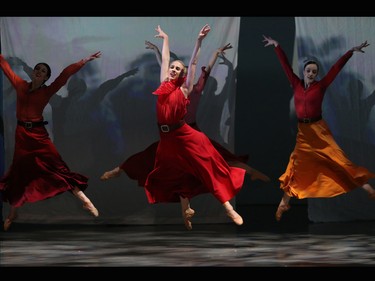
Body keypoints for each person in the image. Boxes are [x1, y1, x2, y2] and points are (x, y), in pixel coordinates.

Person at [100, 41, 270, 184]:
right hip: (175, 134)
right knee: (151, 155)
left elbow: (207, 69)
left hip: (191, 131)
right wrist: (158, 51)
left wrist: (217, 54)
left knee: (217, 156)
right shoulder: (174, 88)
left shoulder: (195, 89)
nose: (177, 73)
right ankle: (120, 169)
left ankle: (250, 171)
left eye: (182, 71)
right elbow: (165, 68)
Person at [262, 35, 375, 221]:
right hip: (303, 133)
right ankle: (284, 202)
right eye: (308, 70)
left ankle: (367, 187)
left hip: (319, 129)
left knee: (338, 160)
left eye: (314, 71)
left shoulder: (321, 86)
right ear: (304, 71)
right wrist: (277, 46)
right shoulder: (296, 84)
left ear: (316, 73)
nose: (311, 73)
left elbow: (335, 69)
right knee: (296, 165)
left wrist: (350, 52)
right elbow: (285, 67)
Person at [0, 51, 102, 231]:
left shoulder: (47, 91)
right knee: (18, 173)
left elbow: (65, 75)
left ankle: (85, 201)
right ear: (33, 73)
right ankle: (12, 213)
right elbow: (5, 67)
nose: (39, 71)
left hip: (39, 136)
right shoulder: (21, 85)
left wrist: (83, 61)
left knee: (59, 168)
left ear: (46, 77)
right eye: (37, 68)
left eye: (43, 71)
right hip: (22, 135)